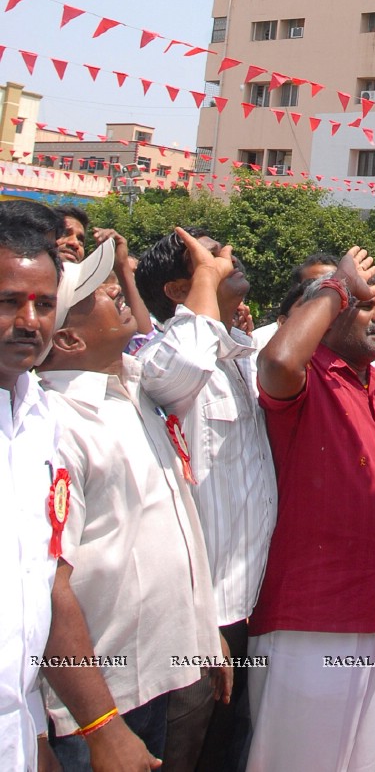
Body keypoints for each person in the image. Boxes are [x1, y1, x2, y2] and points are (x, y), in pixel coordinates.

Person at [247, 248, 375, 772]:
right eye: (366, 305)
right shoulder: (307, 378)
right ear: (323, 316)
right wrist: (337, 286)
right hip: (311, 619)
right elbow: (279, 360)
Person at [39, 243, 222, 769]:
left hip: (159, 678)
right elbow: (53, 585)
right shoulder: (57, 424)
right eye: (95, 293)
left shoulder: (137, 391)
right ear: (69, 337)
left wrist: (202, 635)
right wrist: (101, 727)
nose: (115, 290)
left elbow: (176, 530)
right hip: (97, 702)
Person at [0, 211, 157, 772]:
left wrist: (87, 728)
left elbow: (46, 584)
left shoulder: (38, 417)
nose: (28, 321)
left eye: (43, 304)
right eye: (8, 301)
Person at [134, 228, 277, 771]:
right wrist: (204, 626)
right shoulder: (161, 361)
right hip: (196, 625)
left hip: (248, 613)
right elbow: (181, 371)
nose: (227, 260)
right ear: (178, 290)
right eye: (209, 258)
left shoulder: (236, 359)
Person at [250, 252, 339, 350]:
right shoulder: (261, 341)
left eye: (331, 282)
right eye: (313, 283)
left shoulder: (348, 335)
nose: (323, 289)